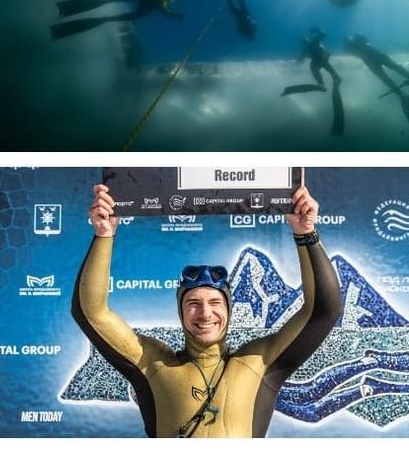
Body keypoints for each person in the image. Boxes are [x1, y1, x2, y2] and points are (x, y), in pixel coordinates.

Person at [73, 182, 341, 437]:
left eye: (215, 303)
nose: (205, 314)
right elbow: (91, 313)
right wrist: (104, 234)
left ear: (229, 310)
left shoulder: (259, 361)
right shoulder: (152, 364)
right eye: (193, 304)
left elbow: (324, 310)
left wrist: (306, 233)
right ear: (180, 312)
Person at [50, 0, 182, 40]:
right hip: (144, 6)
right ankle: (60, 28)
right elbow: (166, 10)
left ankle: (64, 8)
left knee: (110, 0)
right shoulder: (165, 1)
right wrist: (176, 15)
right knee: (109, 18)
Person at [344, 33, 409, 130]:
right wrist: (356, 43)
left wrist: (355, 42)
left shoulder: (353, 44)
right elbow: (361, 44)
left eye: (349, 39)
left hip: (375, 58)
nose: (349, 40)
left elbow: (362, 43)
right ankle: (404, 92)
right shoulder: (352, 46)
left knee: (391, 73)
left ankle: (406, 89)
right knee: (390, 74)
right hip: (374, 58)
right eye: (348, 40)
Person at [282, 28, 344, 136]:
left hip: (321, 61)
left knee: (328, 74)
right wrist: (290, 65)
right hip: (318, 63)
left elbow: (323, 35)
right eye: (304, 41)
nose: (305, 41)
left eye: (305, 40)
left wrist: (316, 30)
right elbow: (300, 59)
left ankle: (327, 83)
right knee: (322, 76)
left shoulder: (314, 42)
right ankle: (323, 84)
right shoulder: (309, 45)